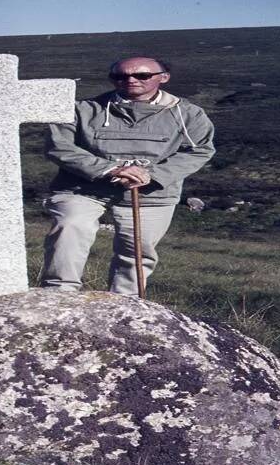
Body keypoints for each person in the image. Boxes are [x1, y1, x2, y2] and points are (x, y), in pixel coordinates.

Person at [40, 56, 215, 295]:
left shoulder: (189, 114)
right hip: (84, 189)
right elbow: (59, 146)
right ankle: (59, 293)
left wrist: (151, 174)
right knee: (70, 227)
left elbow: (200, 150)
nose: (130, 80)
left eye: (142, 75)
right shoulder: (85, 109)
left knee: (138, 249)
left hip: (150, 193)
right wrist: (110, 169)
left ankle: (126, 303)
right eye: (121, 76)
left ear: (163, 78)